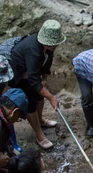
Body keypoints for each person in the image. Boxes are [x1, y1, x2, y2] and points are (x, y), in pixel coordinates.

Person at [8, 20, 65, 150]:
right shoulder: (33, 50)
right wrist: (51, 97)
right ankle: (39, 135)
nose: (54, 46)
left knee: (40, 96)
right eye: (52, 44)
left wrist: (44, 78)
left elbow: (47, 63)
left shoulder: (49, 47)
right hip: (20, 75)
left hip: (32, 73)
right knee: (30, 102)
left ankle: (41, 120)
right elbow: (33, 81)